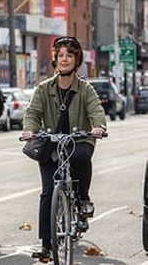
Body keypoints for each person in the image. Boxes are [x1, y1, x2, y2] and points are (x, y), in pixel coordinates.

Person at [21, 36, 107, 262]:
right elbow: (32, 113)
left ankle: (83, 198)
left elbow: (96, 110)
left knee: (80, 157)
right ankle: (46, 245)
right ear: (55, 60)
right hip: (51, 144)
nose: (65, 59)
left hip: (79, 141)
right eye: (61, 55)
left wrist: (98, 126)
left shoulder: (85, 89)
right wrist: (30, 130)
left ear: (76, 59)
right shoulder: (43, 89)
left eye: (69, 55)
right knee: (48, 192)